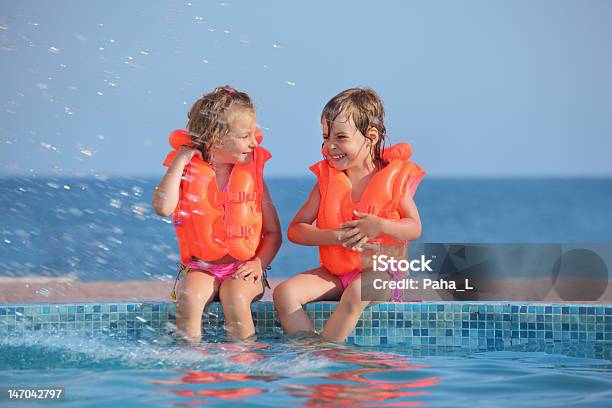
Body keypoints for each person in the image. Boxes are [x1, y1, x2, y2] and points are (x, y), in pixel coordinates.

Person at [273, 87, 425, 342]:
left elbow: (414, 227)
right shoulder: (327, 180)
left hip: (383, 274)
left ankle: (328, 353)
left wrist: (380, 225)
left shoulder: (392, 178)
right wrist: (335, 237)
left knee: (356, 293)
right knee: (284, 293)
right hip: (336, 273)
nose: (330, 147)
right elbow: (296, 230)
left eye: (340, 137)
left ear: (371, 136)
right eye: (325, 138)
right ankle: (308, 349)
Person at [153, 85, 282, 342]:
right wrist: (180, 160)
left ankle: (243, 365)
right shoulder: (188, 171)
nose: (254, 142)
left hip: (244, 269)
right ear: (217, 138)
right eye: (245, 136)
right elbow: (163, 207)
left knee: (235, 297)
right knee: (189, 299)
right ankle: (192, 365)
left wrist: (259, 263)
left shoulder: (252, 175)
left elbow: (273, 232)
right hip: (201, 268)